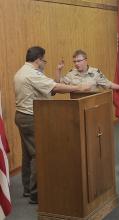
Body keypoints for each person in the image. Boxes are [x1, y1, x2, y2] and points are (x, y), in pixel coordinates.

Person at [14, 46, 95, 205]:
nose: (44, 63)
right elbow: (55, 87)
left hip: (22, 116)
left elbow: (46, 90)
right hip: (31, 117)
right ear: (38, 60)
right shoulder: (32, 74)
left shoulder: (22, 71)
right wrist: (79, 87)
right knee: (39, 154)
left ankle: (28, 189)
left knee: (28, 154)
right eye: (44, 60)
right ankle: (36, 194)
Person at [55, 49, 119, 90]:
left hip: (92, 106)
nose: (76, 64)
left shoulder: (95, 72)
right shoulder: (71, 73)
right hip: (76, 106)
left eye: (79, 61)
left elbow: (109, 85)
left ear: (86, 60)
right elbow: (59, 86)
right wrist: (58, 70)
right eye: (74, 61)